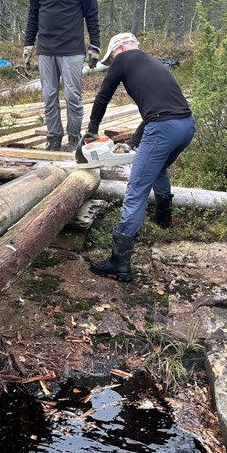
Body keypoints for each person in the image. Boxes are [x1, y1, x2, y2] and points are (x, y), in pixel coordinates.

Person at [84, 33, 195, 282]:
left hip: (163, 129)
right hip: (186, 126)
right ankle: (164, 219)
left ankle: (119, 262)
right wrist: (134, 142)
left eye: (111, 58)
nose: (113, 63)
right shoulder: (153, 62)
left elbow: (103, 96)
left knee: (136, 189)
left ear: (119, 48)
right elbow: (161, 107)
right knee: (157, 168)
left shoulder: (123, 59)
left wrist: (91, 130)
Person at [23, 0, 101, 151]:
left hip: (72, 49)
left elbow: (91, 13)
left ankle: (74, 138)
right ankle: (54, 138)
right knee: (48, 97)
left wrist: (94, 45)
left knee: (73, 96)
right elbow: (33, 14)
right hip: (46, 49)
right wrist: (28, 44)